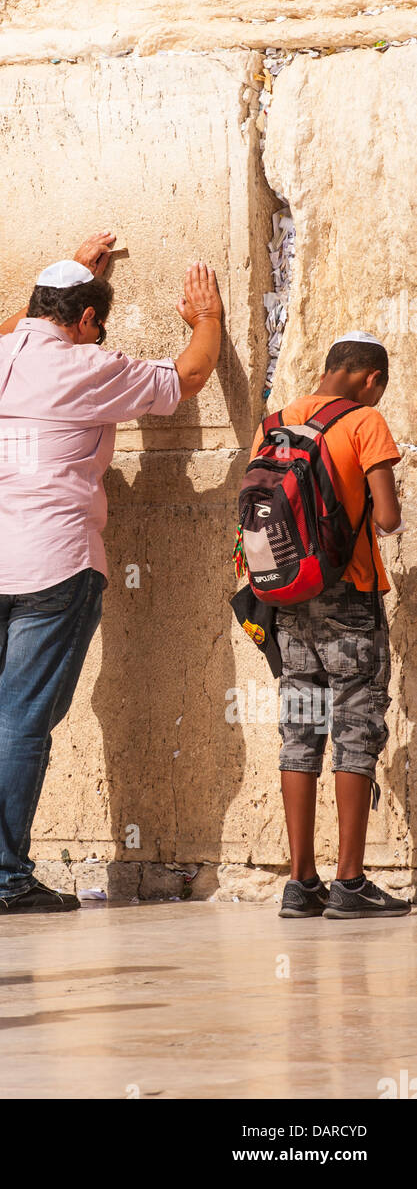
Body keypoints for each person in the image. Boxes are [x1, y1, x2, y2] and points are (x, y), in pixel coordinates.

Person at [0, 244, 223, 914]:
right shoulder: (87, 367)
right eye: (95, 319)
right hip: (52, 562)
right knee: (19, 725)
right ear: (89, 319)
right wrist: (206, 316)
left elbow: (20, 325)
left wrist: (72, 275)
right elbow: (187, 377)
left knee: (4, 720)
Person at [253, 333, 410, 920]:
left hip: (289, 599)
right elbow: (389, 519)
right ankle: (350, 882)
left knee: (300, 730)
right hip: (350, 595)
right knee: (356, 729)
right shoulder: (366, 421)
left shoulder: (276, 420)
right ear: (370, 378)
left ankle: (300, 883)